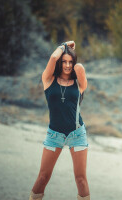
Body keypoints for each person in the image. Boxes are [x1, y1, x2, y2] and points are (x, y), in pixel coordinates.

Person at [29, 41, 90, 200]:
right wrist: (64, 45)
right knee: (43, 177)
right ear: (59, 63)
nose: (68, 65)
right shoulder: (48, 79)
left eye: (70, 61)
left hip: (77, 134)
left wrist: (74, 60)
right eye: (64, 61)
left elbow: (80, 69)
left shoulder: (78, 83)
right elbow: (52, 57)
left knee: (81, 180)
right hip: (54, 134)